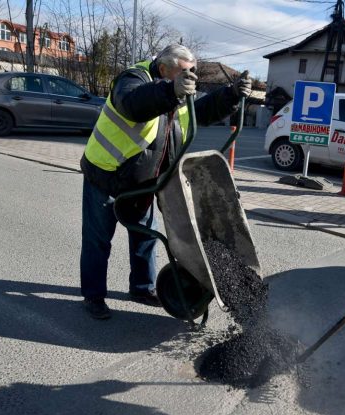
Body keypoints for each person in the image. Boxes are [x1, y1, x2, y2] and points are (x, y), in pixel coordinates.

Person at [79, 44, 251, 320]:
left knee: (145, 236)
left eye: (192, 72)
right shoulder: (133, 80)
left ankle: (142, 288)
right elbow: (133, 104)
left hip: (145, 181)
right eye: (185, 72)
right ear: (163, 70)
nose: (190, 77)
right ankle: (93, 296)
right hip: (107, 175)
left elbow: (202, 110)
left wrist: (231, 95)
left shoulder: (177, 90)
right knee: (98, 241)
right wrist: (170, 92)